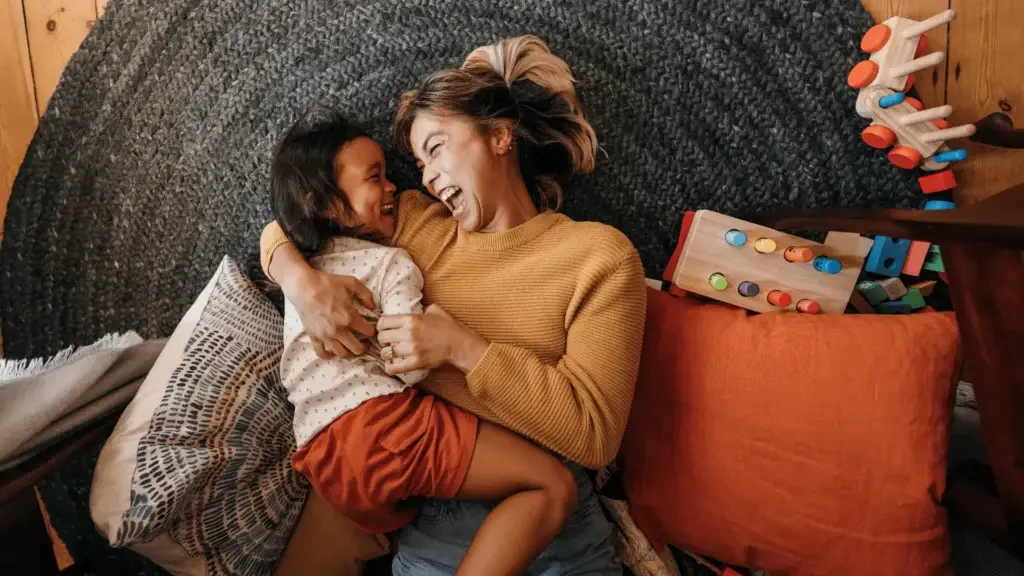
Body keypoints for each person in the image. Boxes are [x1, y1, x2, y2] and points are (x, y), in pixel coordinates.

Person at [261, 35, 647, 575]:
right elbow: (296, 210)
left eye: (436, 149)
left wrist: (465, 349)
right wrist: (298, 278)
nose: (423, 177)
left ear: (500, 136)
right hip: (438, 531)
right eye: (417, 162)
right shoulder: (416, 224)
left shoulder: (598, 257)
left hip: (559, 541)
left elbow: (594, 435)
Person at [270, 106, 578, 576]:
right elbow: (409, 365)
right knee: (552, 487)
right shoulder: (391, 264)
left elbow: (276, 234)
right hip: (382, 429)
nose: (395, 185)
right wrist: (447, 339)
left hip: (319, 458)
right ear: (329, 205)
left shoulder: (307, 276)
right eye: (377, 177)